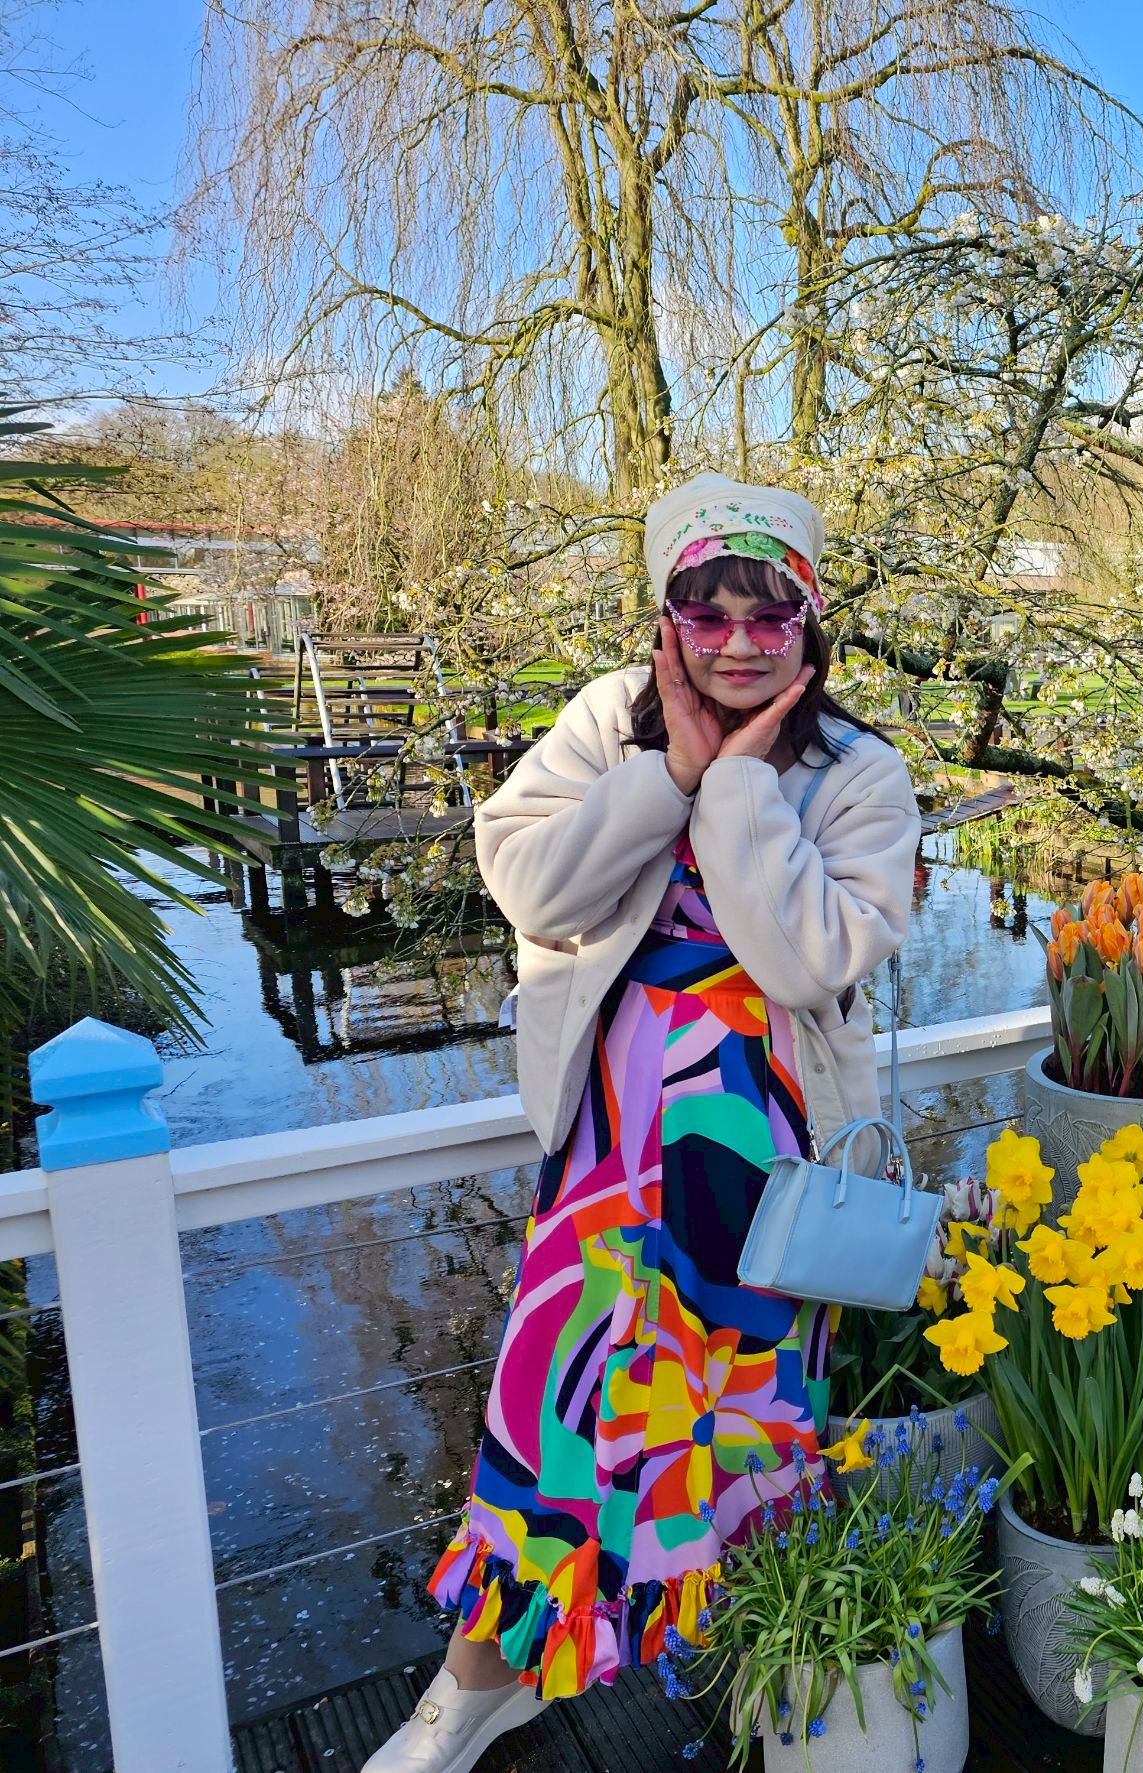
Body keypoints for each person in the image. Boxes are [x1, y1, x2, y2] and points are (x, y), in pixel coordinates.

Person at [365, 474, 922, 1773]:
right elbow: (531, 887)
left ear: (811, 617)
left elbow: (805, 959)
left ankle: (766, 1681)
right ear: (667, 615)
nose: (738, 641)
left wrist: (734, 786)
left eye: (769, 611)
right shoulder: (605, 721)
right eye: (706, 610)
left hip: (765, 1162)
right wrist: (665, 770)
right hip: (608, 1156)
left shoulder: (859, 773)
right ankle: (472, 1689)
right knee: (550, 1416)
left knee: (745, 1425)